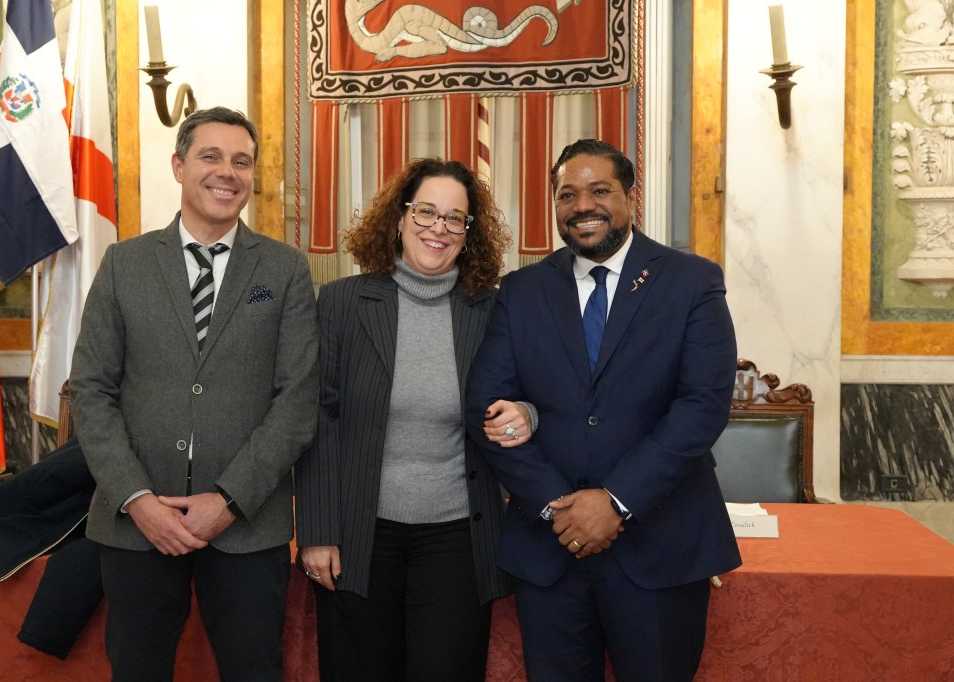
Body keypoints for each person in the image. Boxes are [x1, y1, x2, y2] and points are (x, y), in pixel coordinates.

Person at [465, 139, 742, 681]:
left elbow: (702, 406)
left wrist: (615, 501)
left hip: (661, 545)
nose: (582, 206)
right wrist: (556, 507)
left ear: (630, 197)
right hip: (551, 548)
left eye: (599, 190)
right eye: (567, 195)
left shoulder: (691, 281)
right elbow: (486, 407)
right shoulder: (521, 291)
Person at [69, 106, 319, 681]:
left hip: (247, 525)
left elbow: (297, 402)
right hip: (137, 524)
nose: (227, 172)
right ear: (179, 166)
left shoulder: (283, 271)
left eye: (242, 161)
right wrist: (137, 498)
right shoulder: (124, 263)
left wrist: (228, 502)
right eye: (211, 156)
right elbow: (91, 389)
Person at [294, 158, 530, 682]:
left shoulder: (491, 310)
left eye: (455, 218)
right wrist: (317, 531)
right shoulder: (342, 302)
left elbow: (534, 395)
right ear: (399, 218)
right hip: (358, 535)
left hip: (457, 539)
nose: (438, 227)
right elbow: (317, 418)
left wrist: (527, 413)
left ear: (469, 234)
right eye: (426, 211)